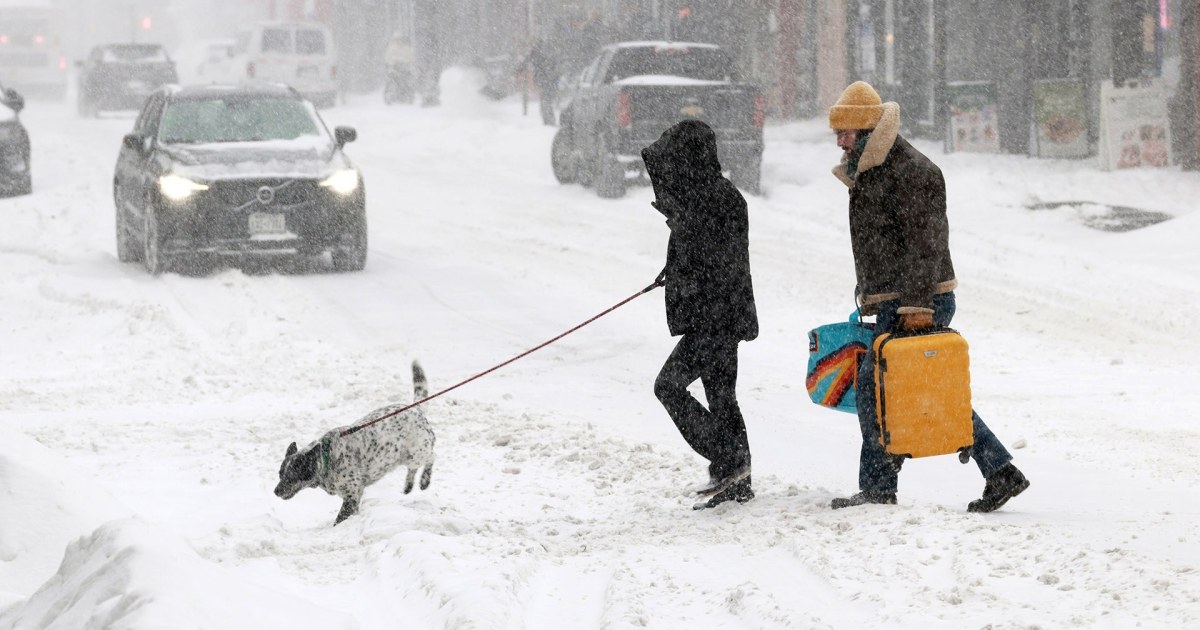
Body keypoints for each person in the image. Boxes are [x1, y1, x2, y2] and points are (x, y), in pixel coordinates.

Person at [827, 81, 1030, 513]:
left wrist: (916, 305)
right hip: (897, 298)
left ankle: (879, 487)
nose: (839, 141)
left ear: (866, 130)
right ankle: (1000, 470)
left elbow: (926, 243)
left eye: (845, 133)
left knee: (877, 390)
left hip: (919, 300)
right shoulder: (873, 167)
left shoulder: (912, 170)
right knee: (920, 390)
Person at [642, 120, 759, 510]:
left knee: (668, 386)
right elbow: (702, 253)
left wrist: (685, 267)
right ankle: (736, 479)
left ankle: (729, 460)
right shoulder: (711, 195)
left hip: (715, 319)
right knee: (722, 397)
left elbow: (714, 260)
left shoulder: (714, 199)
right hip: (720, 316)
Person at [516, 39, 559, 125]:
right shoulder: (547, 52)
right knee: (546, 102)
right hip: (549, 81)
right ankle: (549, 120)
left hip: (545, 81)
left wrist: (518, 70)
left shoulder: (536, 53)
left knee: (545, 102)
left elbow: (526, 62)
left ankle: (548, 121)